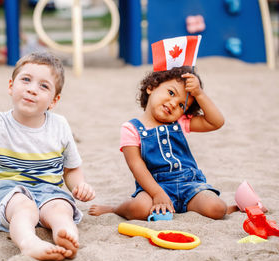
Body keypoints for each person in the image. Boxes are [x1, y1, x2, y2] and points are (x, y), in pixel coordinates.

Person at [0, 52, 95, 261]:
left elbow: (71, 169)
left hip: (48, 192)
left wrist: (79, 186)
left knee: (61, 208)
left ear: (54, 101)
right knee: (23, 207)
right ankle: (29, 243)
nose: (32, 89)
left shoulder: (59, 126)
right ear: (11, 86)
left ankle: (66, 236)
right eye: (26, 79)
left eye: (44, 86)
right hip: (7, 194)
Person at [89, 66, 231, 221]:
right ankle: (115, 209)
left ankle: (193, 205)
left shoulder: (180, 123)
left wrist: (199, 94)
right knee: (139, 209)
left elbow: (217, 122)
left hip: (188, 185)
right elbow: (136, 166)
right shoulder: (131, 129)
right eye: (171, 93)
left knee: (217, 209)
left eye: (181, 105)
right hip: (153, 185)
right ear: (151, 87)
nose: (173, 104)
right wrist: (157, 193)